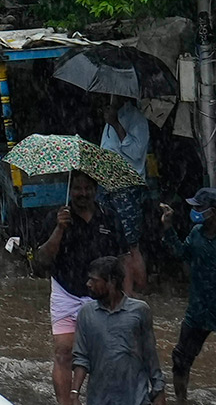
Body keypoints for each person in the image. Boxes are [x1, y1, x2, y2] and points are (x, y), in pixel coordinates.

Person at [34, 171, 129, 405]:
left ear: (96, 191)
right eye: (77, 188)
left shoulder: (109, 218)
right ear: (70, 190)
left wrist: (126, 297)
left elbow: (123, 260)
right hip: (66, 292)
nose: (83, 194)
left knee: (106, 356)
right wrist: (59, 229)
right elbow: (41, 261)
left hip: (102, 296)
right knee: (63, 353)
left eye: (88, 188)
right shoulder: (56, 218)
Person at [71, 256, 166, 405]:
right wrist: (74, 394)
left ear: (111, 282)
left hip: (135, 398)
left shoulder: (139, 311)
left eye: (94, 280)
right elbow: (81, 358)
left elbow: (150, 354)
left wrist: (158, 389)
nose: (88, 284)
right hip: (99, 398)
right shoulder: (86, 313)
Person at [160, 189, 216, 404]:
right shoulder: (196, 233)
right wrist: (168, 227)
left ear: (212, 211)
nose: (195, 212)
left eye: (199, 208)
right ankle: (182, 401)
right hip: (198, 310)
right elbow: (181, 253)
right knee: (180, 359)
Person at [99, 95, 150, 291]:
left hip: (126, 186)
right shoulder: (110, 116)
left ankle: (136, 293)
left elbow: (136, 152)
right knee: (111, 239)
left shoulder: (136, 118)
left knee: (130, 244)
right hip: (107, 184)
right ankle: (120, 289)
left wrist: (116, 124)